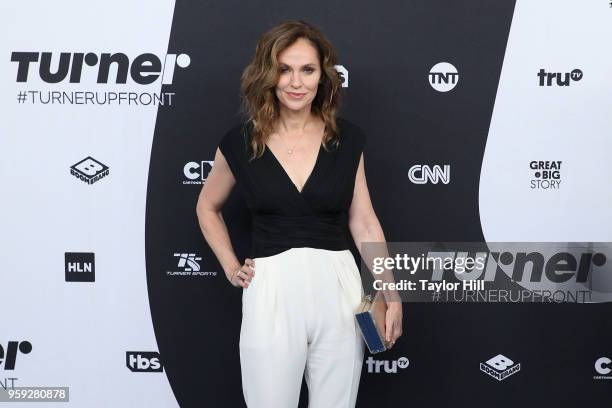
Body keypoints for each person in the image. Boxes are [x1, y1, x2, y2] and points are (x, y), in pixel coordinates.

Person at [196, 19, 402, 408]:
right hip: (271, 287)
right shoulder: (240, 144)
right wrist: (228, 264)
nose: (296, 82)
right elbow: (207, 206)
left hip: (340, 288)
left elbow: (364, 221)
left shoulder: (346, 138)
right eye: (284, 69)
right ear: (267, 75)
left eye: (307, 70)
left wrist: (391, 294)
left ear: (322, 76)